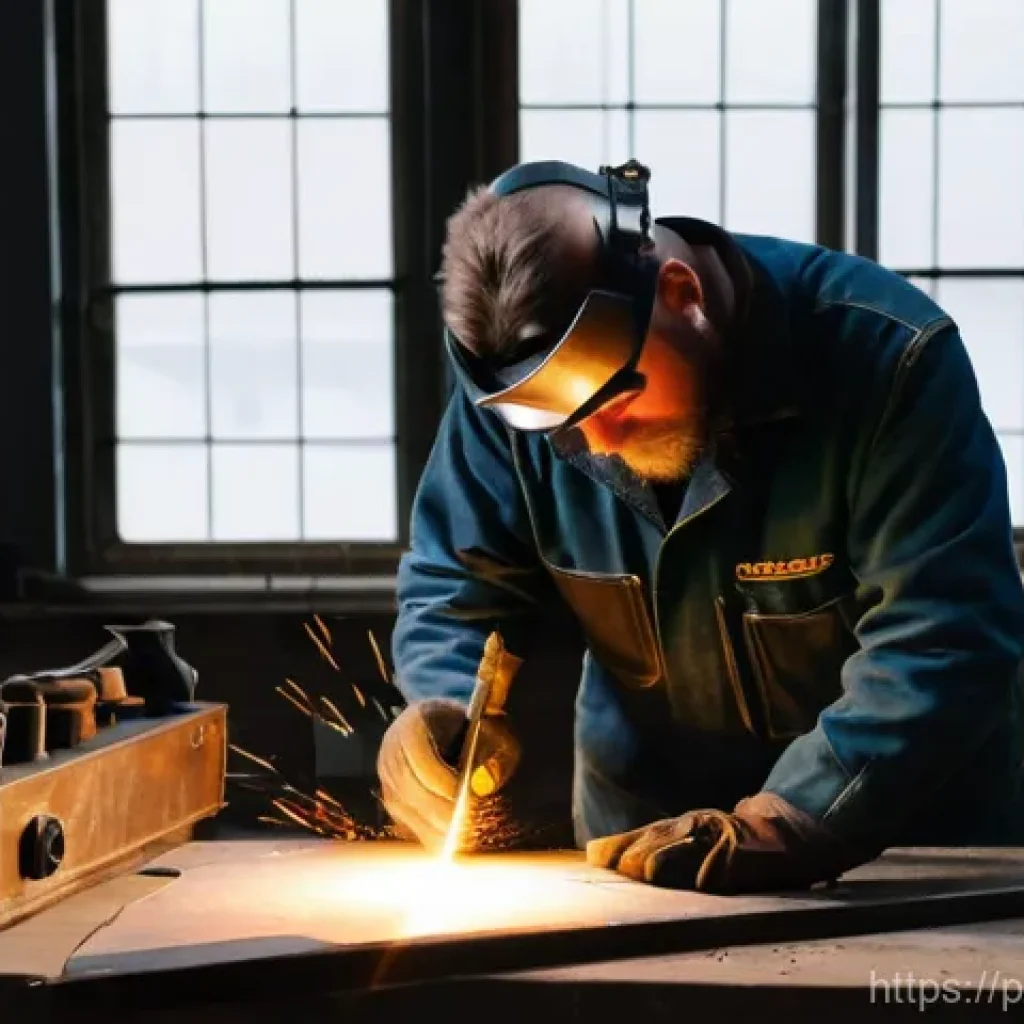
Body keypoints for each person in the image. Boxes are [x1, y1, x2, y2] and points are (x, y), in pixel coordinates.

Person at [376, 158, 1024, 893]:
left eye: (616, 399)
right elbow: (457, 583)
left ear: (682, 297)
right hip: (642, 833)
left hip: (901, 839)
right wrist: (447, 708)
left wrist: (796, 818)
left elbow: (943, 633)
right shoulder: (524, 402)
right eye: (564, 427)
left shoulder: (888, 358)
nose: (596, 443)